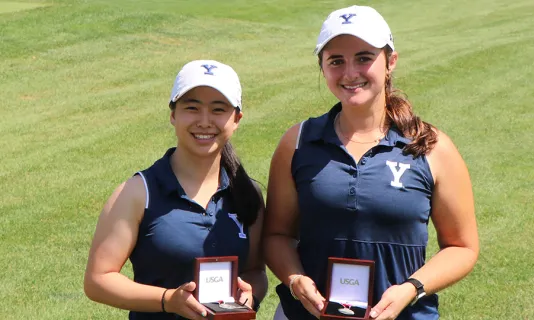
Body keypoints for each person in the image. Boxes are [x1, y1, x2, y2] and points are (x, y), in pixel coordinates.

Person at [263, 5, 479, 320]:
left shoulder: (431, 147)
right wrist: (295, 279)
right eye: (336, 61)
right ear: (323, 67)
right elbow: (276, 235)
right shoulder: (297, 142)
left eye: (364, 58)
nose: (350, 73)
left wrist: (412, 288)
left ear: (390, 62)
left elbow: (462, 247)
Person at [84, 60, 267, 319]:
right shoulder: (138, 192)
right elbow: (98, 280)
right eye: (192, 108)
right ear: (173, 115)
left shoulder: (247, 194)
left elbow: (255, 271)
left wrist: (250, 295)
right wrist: (167, 300)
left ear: (236, 119)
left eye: (218, 110)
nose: (204, 121)